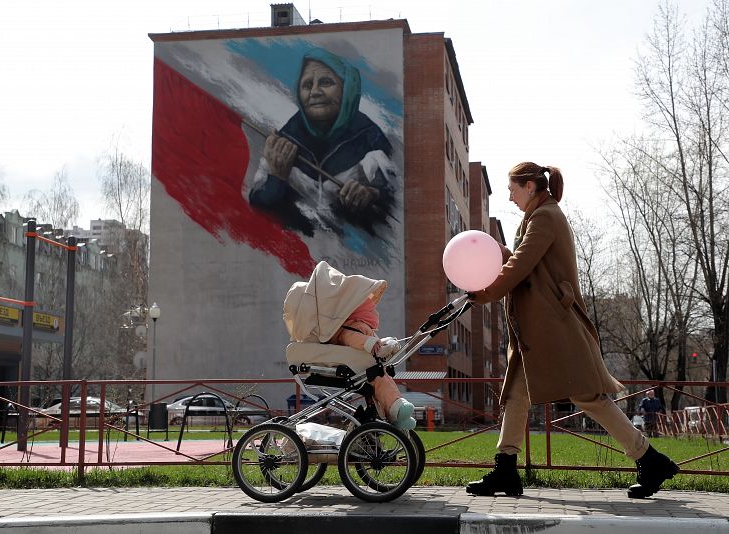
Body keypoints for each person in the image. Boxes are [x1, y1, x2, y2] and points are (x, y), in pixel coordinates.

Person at [465, 162, 679, 499]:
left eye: (512, 189)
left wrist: (485, 292)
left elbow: (522, 265)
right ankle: (505, 468)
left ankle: (650, 459)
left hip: (554, 329)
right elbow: (525, 262)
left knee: (587, 397)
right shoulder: (534, 218)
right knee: (517, 394)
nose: (509, 197)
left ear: (530, 186)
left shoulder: (546, 217)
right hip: (537, 331)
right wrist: (498, 255)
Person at [248, 47, 398, 235]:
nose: (315, 92)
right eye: (307, 85)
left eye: (326, 82)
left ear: (347, 89)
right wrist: (277, 177)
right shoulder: (284, 141)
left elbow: (395, 200)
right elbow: (259, 208)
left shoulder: (370, 138)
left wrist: (371, 195)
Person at [283, 261, 415, 430]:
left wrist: (382, 343)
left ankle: (393, 414)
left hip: (362, 366)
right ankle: (396, 409)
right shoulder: (347, 327)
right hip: (357, 366)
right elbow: (351, 338)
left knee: (382, 380)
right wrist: (370, 343)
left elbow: (361, 340)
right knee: (381, 381)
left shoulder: (354, 324)